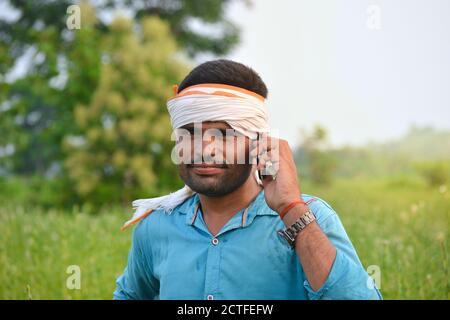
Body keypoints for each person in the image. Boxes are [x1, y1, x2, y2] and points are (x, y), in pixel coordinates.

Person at [113, 59, 382, 300]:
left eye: (225, 134)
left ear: (259, 142)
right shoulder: (156, 227)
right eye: (190, 132)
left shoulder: (312, 219)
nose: (205, 149)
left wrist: (290, 208)